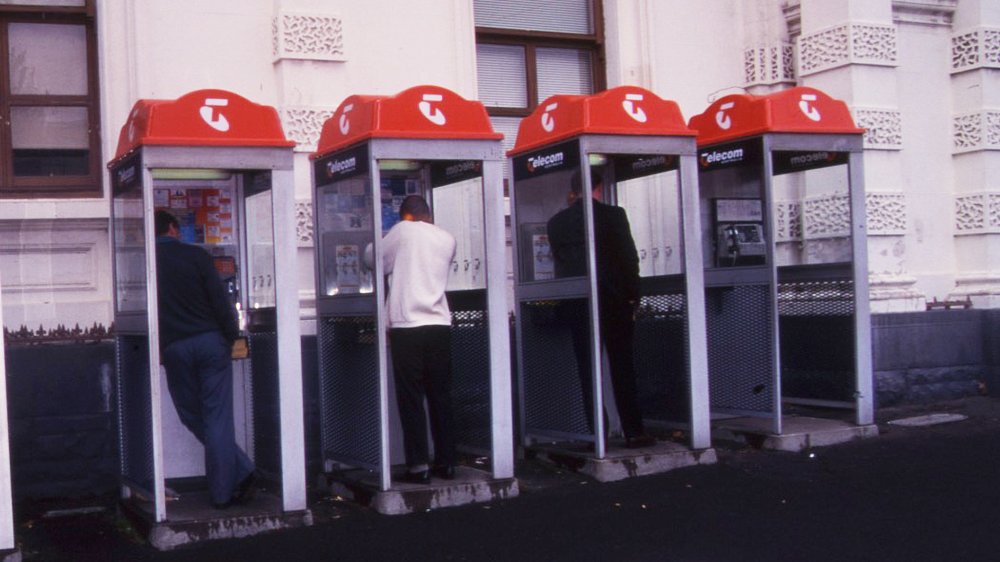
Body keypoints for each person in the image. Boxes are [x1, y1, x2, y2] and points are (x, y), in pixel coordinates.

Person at [154, 209, 258, 508]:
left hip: (174, 347)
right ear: (173, 228)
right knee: (217, 418)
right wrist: (232, 336)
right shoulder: (196, 256)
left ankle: (238, 474)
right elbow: (220, 300)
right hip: (210, 341)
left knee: (191, 414)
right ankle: (229, 485)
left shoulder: (147, 260)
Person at [546, 170, 656, 449]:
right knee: (622, 366)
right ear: (599, 188)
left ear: (573, 189)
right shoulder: (614, 215)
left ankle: (598, 433)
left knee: (588, 368)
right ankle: (633, 431)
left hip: (577, 305)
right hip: (614, 303)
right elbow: (629, 261)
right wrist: (633, 298)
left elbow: (560, 266)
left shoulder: (556, 223)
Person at [382, 195, 458, 484]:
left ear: (406, 216)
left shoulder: (402, 231)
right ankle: (446, 462)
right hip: (439, 324)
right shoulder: (447, 238)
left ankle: (418, 466)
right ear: (428, 214)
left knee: (411, 397)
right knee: (441, 395)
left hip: (407, 326)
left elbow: (371, 258)